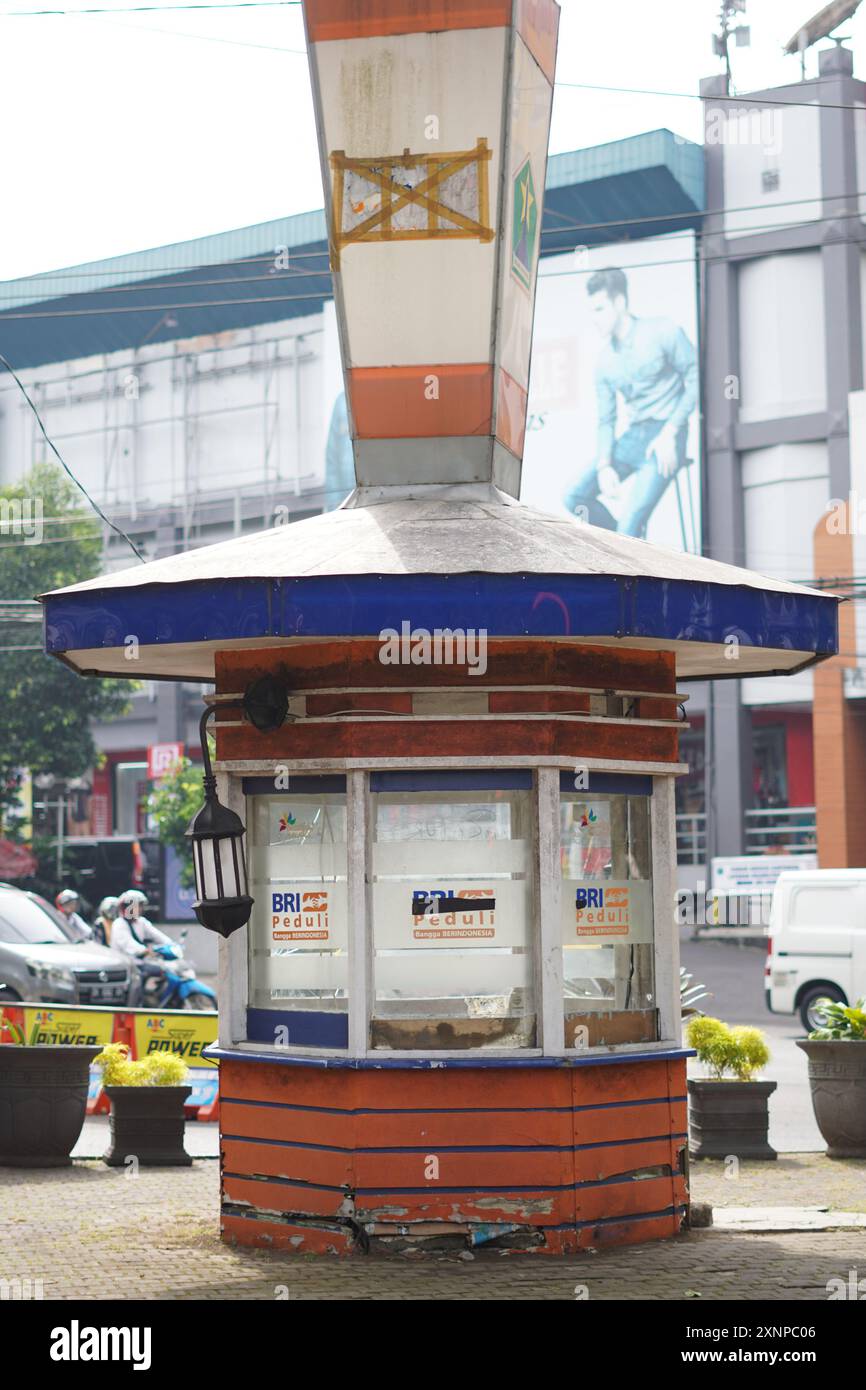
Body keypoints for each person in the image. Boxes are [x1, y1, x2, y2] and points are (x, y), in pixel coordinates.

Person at [564, 266, 698, 539]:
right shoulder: (603, 362)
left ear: (620, 303)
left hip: (666, 434)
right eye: (591, 311)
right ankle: (628, 543)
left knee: (630, 522)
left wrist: (671, 433)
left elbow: (697, 378)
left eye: (600, 309)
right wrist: (604, 465)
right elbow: (606, 419)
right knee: (574, 496)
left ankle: (628, 539)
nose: (594, 318)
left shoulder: (663, 330)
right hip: (632, 438)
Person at [110, 889, 173, 959]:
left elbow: (157, 935)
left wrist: (171, 944)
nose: (140, 909)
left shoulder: (141, 922)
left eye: (140, 906)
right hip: (122, 964)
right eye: (137, 905)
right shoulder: (119, 924)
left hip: (138, 962)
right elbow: (128, 944)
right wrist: (146, 951)